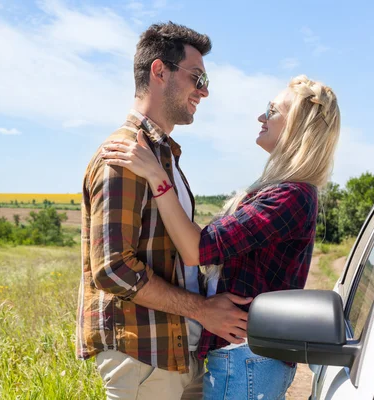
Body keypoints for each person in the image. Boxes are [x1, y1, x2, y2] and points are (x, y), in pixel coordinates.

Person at [101, 74, 341, 400]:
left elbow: (198, 250)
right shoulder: (285, 192)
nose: (261, 117)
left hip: (247, 358)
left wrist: (157, 176)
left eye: (272, 111)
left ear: (297, 126)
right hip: (246, 358)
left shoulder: (291, 196)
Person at [75, 22, 252, 400]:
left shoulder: (159, 157)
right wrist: (203, 310)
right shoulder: (122, 157)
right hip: (143, 355)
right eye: (197, 77)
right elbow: (113, 269)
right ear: (160, 71)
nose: (203, 91)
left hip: (174, 350)